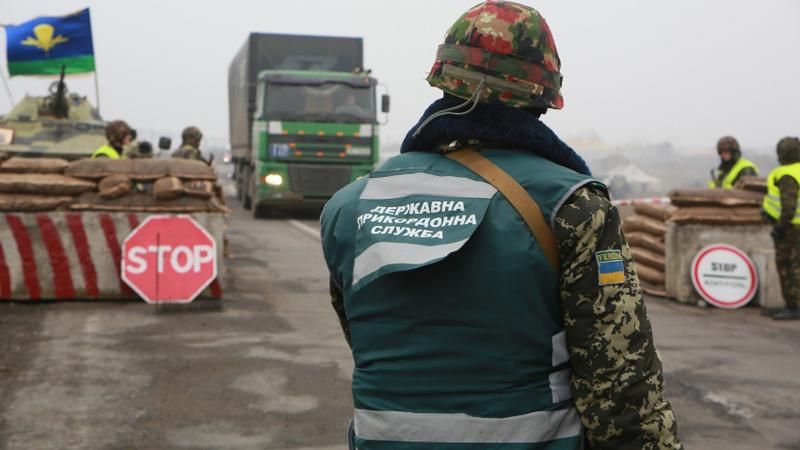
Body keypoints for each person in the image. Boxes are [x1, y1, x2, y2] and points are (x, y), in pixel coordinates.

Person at [320, 2, 683, 449]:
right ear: (541, 93)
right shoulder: (574, 206)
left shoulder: (348, 208)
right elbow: (619, 380)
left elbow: (367, 341)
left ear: (445, 76)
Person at [763, 137, 800, 320]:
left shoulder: (787, 174)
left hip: (791, 230)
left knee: (788, 266)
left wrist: (780, 227)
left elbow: (788, 206)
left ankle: (794, 305)